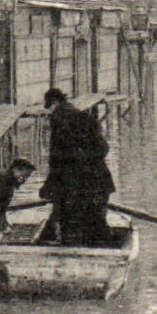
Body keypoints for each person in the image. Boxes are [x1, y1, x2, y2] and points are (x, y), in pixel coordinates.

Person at [39, 87, 116, 246]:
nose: (49, 114)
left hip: (76, 183)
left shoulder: (59, 119)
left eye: (50, 108)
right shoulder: (85, 117)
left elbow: (57, 158)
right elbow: (103, 148)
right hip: (99, 180)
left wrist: (49, 186)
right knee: (95, 224)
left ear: (55, 102)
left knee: (70, 223)